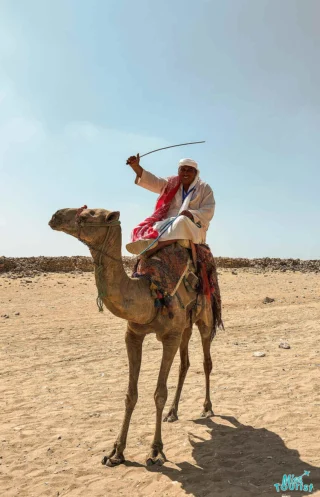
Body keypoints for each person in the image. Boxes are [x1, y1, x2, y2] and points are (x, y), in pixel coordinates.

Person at [126, 154, 215, 256]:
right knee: (147, 227)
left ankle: (156, 247)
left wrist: (191, 214)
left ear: (195, 173)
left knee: (182, 221)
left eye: (189, 170)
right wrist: (136, 167)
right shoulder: (172, 183)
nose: (185, 172)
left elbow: (209, 210)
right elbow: (154, 181)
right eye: (183, 169)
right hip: (168, 224)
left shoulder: (204, 188)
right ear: (178, 171)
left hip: (193, 225)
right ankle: (147, 243)